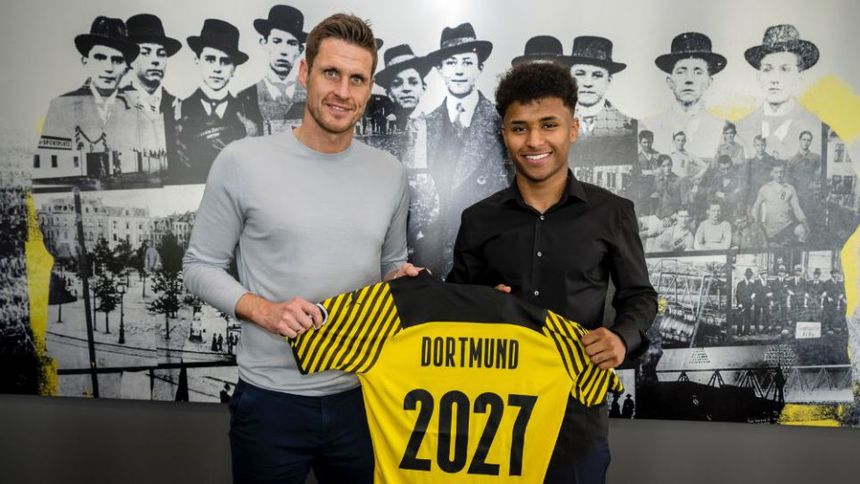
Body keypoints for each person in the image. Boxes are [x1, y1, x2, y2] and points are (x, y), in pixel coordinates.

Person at [183, 13, 418, 484]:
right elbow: (198, 266)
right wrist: (264, 311)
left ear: (370, 87)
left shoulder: (390, 172)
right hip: (270, 402)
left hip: (364, 396)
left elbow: (390, 265)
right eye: (331, 73)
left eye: (357, 79)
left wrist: (402, 278)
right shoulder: (241, 161)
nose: (343, 92)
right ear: (304, 72)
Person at [447, 61, 657, 484]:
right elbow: (454, 306)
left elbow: (639, 296)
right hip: (494, 422)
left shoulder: (612, 213)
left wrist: (621, 337)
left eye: (549, 125)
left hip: (576, 421)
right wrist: (482, 304)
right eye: (519, 128)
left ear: (573, 129)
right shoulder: (478, 219)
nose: (534, 141)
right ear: (504, 134)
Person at [421, 22, 510, 278]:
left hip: (489, 257)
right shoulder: (425, 125)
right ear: (440, 70)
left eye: (467, 62)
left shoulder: (502, 122)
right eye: (451, 62)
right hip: (437, 257)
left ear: (480, 68)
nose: (459, 70)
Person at [34, 16, 140, 185]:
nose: (108, 68)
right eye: (100, 58)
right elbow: (48, 165)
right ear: (85, 61)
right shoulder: (61, 107)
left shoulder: (138, 110)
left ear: (127, 68)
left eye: (117, 60)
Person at [170, 18, 253, 184]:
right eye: (210, 59)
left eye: (225, 61)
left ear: (234, 69)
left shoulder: (246, 110)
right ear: (197, 61)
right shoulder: (178, 110)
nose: (217, 68)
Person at [736, 25, 822, 162]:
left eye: (784, 69)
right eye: (767, 69)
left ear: (799, 76)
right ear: (759, 76)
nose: (774, 79)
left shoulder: (819, 127)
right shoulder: (739, 127)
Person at [641, 32, 727, 162]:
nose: (689, 80)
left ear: (708, 82)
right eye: (681, 72)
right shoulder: (649, 126)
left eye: (698, 72)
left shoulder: (721, 127)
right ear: (670, 82)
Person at [122, 13, 182, 181]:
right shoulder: (117, 104)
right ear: (129, 59)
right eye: (146, 53)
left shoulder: (180, 106)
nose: (155, 61)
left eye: (161, 54)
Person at [238, 5, 308, 136]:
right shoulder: (245, 98)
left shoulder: (313, 96)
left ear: (299, 50)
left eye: (291, 43)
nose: (283, 51)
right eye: (277, 41)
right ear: (264, 43)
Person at [750, 164, 808, 246]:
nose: (779, 175)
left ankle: (797, 249)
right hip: (771, 229)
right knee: (775, 246)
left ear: (784, 173)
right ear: (771, 173)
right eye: (776, 172)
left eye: (781, 172)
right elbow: (756, 207)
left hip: (787, 225)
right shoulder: (765, 189)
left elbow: (796, 208)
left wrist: (804, 221)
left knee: (802, 231)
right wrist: (755, 223)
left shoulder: (789, 188)